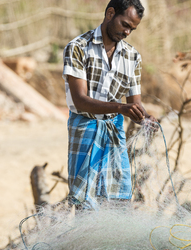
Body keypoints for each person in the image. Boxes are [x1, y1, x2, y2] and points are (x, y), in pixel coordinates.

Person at [62, 0, 155, 210]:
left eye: (132, 29)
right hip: (84, 127)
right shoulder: (78, 47)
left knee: (118, 200)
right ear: (110, 13)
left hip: (114, 130)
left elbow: (134, 104)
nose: (127, 32)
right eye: (125, 24)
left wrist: (146, 119)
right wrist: (120, 108)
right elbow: (80, 100)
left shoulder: (132, 57)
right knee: (86, 201)